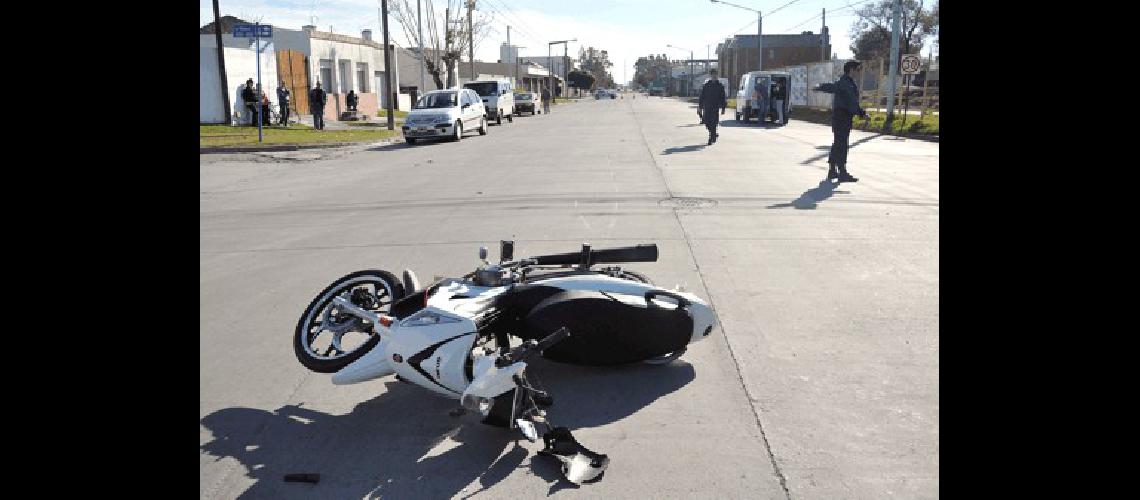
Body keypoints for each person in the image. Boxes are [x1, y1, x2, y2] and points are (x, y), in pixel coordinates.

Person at [814, 61, 869, 182]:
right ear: (851, 70)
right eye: (857, 70)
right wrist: (862, 113)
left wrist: (820, 86)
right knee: (842, 144)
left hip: (841, 117)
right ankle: (842, 172)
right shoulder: (846, 83)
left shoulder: (847, 82)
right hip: (842, 117)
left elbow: (833, 87)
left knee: (838, 143)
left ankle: (832, 170)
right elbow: (851, 102)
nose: (859, 73)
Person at [698, 69, 727, 146]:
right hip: (707, 107)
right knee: (706, 122)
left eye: (715, 75)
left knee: (713, 123)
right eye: (713, 75)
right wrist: (700, 107)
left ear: (717, 76)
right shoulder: (707, 85)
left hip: (715, 107)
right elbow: (702, 96)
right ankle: (713, 134)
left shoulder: (720, 86)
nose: (714, 76)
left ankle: (711, 137)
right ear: (710, 76)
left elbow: (723, 97)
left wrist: (723, 108)